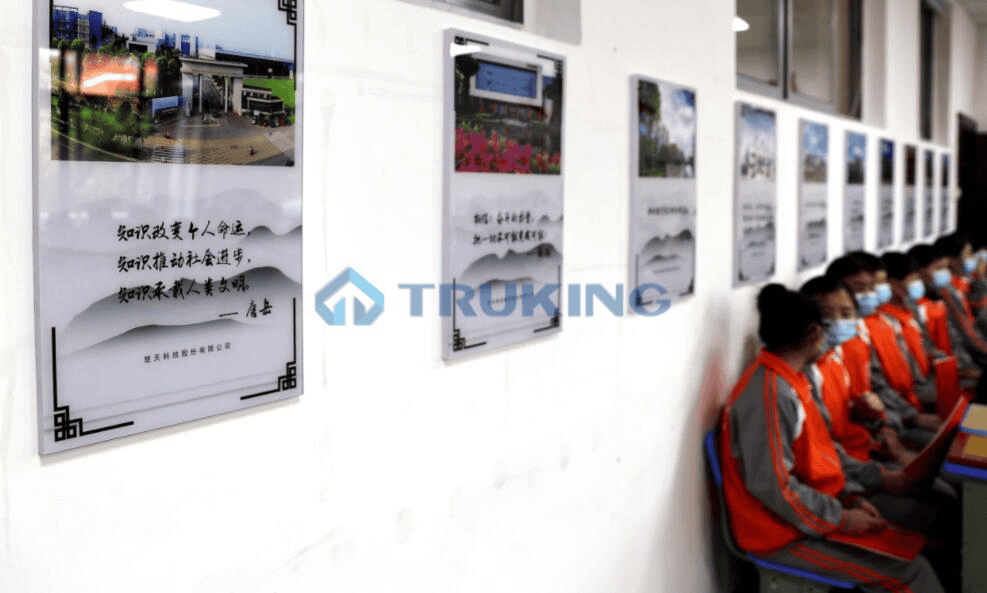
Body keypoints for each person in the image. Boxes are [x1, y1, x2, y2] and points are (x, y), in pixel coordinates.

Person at [719, 284, 946, 592]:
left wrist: (851, 499)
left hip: (811, 515)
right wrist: (842, 518)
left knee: (916, 545)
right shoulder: (770, 394)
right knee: (911, 572)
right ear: (815, 333)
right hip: (782, 535)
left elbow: (822, 456)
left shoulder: (794, 379)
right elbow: (772, 486)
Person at [827, 255, 941, 446]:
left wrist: (909, 414)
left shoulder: (878, 326)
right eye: (859, 288)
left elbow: (885, 383)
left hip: (896, 413)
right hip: (871, 433)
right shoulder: (836, 345)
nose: (868, 294)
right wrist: (905, 418)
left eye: (871, 287)